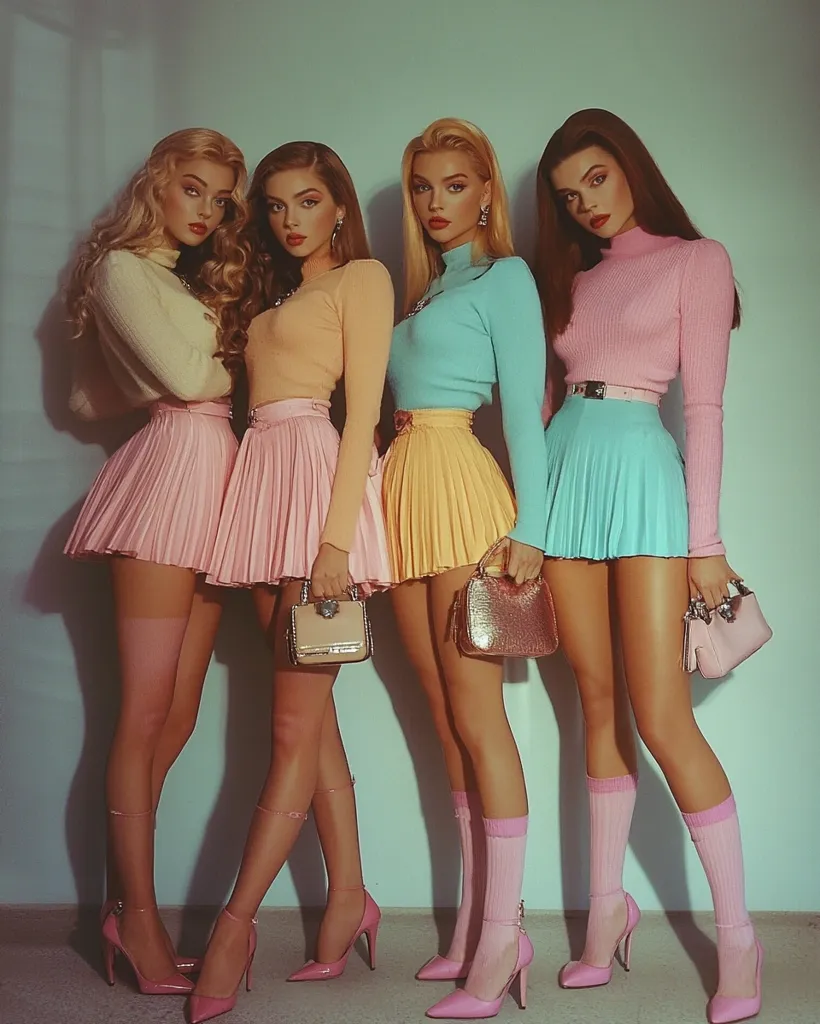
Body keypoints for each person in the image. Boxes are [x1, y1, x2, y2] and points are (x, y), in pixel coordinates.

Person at [535, 108, 761, 1024]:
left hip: (641, 482)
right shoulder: (570, 282)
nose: (586, 202)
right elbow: (542, 406)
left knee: (662, 716)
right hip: (560, 482)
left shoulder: (695, 260)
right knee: (593, 705)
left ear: (629, 167)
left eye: (597, 177)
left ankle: (739, 939)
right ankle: (603, 919)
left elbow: (702, 410)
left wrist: (705, 547)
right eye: (568, 193)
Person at [190, 141, 394, 1023]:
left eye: (306, 201)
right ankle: (350, 899)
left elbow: (363, 418)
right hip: (260, 483)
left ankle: (234, 929)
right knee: (314, 728)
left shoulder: (364, 279)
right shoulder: (276, 294)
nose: (289, 219)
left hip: (316, 486)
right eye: (274, 205)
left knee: (286, 725)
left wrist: (336, 545)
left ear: (338, 206)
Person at [64, 128, 249, 994]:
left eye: (221, 199)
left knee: (174, 718)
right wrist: (254, 349)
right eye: (193, 189)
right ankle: (134, 922)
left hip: (215, 483)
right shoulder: (122, 268)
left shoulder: (175, 274)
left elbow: (99, 388)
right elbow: (186, 375)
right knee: (141, 715)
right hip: (170, 479)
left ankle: (121, 905)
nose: (207, 211)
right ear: (157, 183)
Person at [382, 118, 548, 1020]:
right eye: (422, 186)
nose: (437, 203)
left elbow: (525, 409)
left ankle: (504, 934)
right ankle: (471, 925)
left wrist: (536, 529)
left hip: (462, 491)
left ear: (486, 190)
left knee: (477, 713)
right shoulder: (422, 292)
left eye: (454, 184)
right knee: (441, 708)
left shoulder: (505, 278)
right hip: (404, 489)